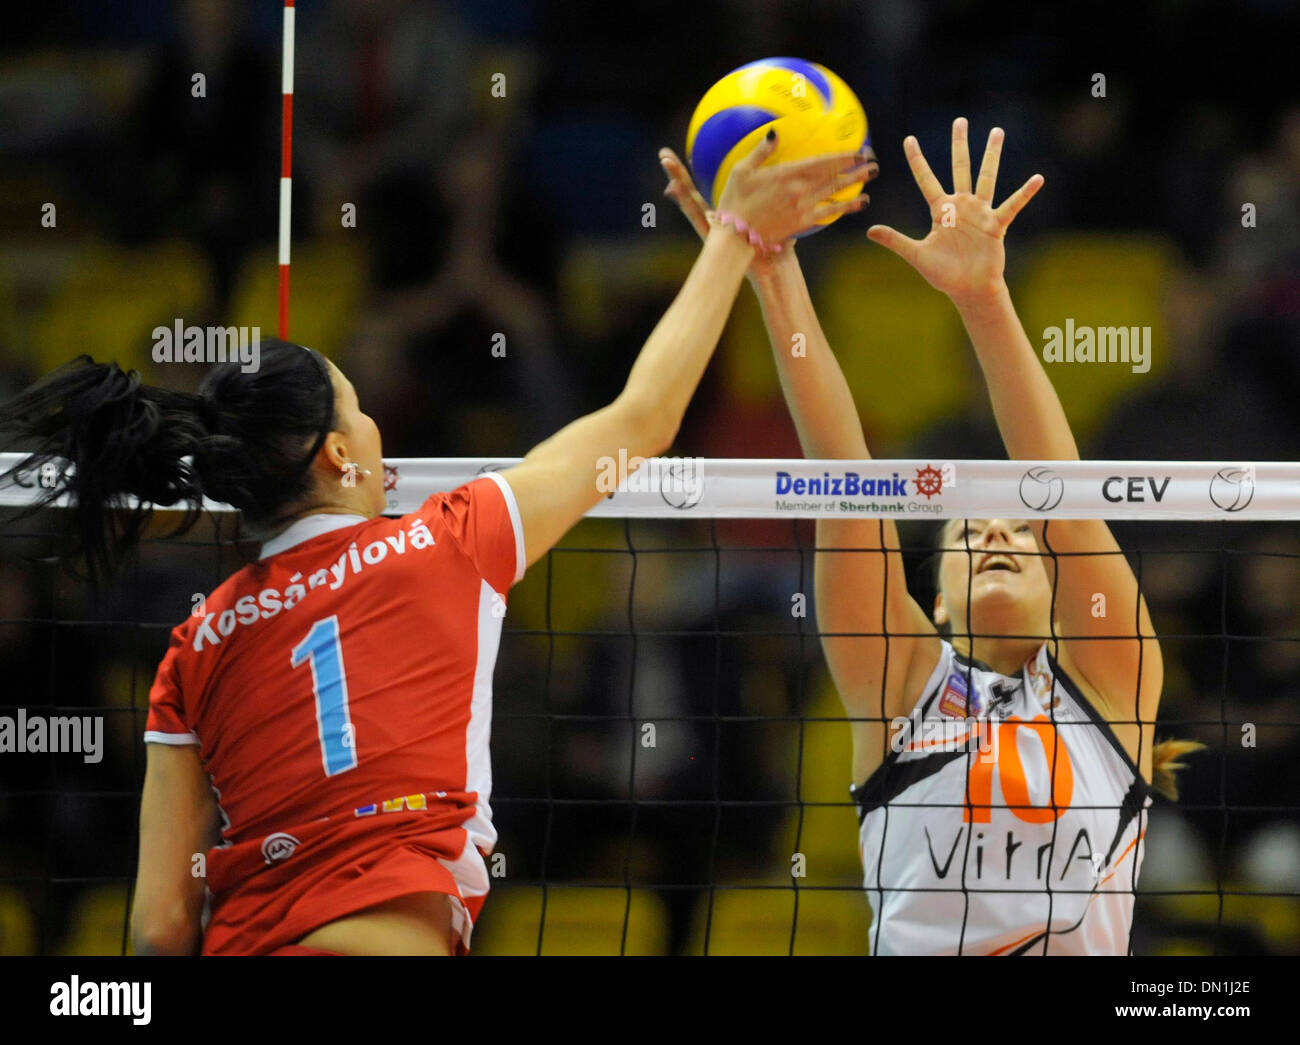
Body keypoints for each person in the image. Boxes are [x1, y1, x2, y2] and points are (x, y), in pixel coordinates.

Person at [0, 133, 872, 956]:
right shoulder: (446, 540)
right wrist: (731, 235)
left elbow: (158, 923)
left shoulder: (195, 645)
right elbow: (642, 420)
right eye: (358, 407)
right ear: (340, 455)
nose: (377, 425)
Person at [661, 118, 1200, 955]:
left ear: (1064, 586)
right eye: (969, 528)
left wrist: (986, 301)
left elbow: (1060, 485)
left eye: (1021, 527)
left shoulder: (1111, 684)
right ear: (936, 600)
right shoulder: (903, 682)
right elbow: (846, 474)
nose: (994, 526)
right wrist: (772, 270)